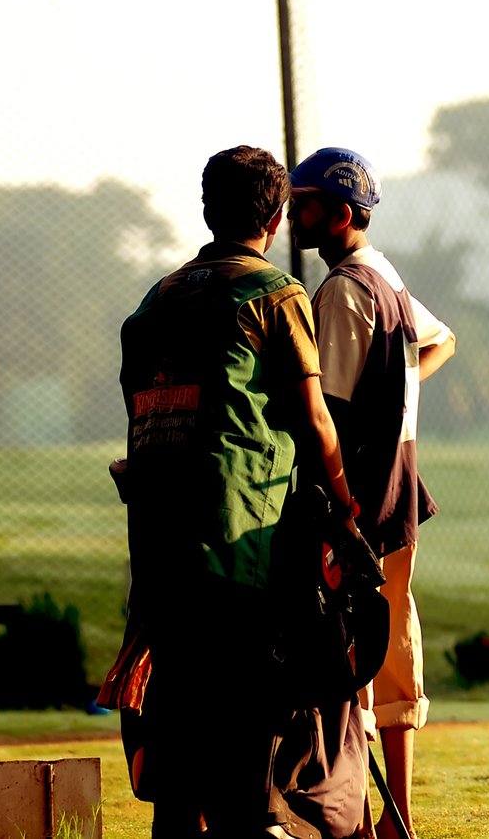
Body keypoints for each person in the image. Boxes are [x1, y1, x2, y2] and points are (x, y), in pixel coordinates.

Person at [110, 145, 368, 838]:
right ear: (278, 217)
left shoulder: (155, 300)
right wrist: (344, 504)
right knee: (245, 711)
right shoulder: (274, 295)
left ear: (206, 208)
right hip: (237, 538)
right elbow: (314, 418)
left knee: (179, 716)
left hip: (159, 544)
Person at [288, 146, 456, 839]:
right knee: (393, 644)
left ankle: (356, 816)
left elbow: (324, 410)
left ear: (343, 211)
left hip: (353, 489)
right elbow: (438, 342)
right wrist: (403, 401)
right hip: (400, 479)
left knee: (346, 652)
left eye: (307, 203)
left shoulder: (337, 291)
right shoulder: (383, 275)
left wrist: (330, 505)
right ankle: (398, 815)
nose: (296, 214)